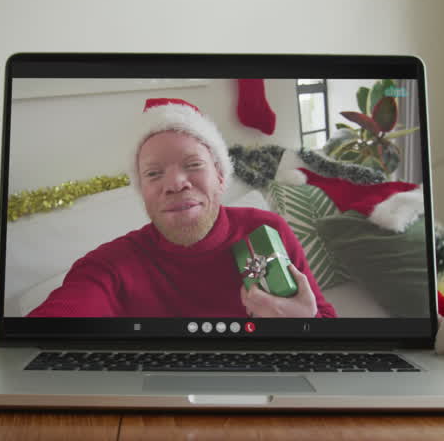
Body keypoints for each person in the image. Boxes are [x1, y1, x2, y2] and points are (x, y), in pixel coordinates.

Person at [27, 98, 336, 319]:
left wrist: (305, 324)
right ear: (142, 192)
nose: (174, 184)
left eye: (192, 165)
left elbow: (326, 327)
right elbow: (55, 324)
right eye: (153, 173)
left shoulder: (266, 230)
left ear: (220, 176)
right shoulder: (110, 266)